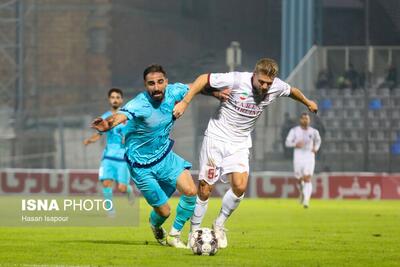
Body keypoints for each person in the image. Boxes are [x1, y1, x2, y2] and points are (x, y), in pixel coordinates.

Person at [173, 58, 318, 248]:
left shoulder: (277, 86)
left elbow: (293, 91)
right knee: (205, 187)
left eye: (269, 83)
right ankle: (195, 231)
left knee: (240, 187)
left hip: (240, 142)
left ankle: (219, 224)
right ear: (254, 75)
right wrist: (184, 102)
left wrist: (308, 102)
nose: (265, 86)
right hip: (217, 137)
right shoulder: (236, 79)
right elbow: (202, 79)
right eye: (261, 82)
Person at [91, 64, 227, 248]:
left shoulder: (173, 92)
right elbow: (120, 117)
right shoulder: (140, 104)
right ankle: (155, 224)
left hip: (165, 157)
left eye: (160, 82)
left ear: (166, 82)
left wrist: (216, 94)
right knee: (164, 211)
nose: (156, 87)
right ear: (145, 85)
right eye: (151, 83)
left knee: (191, 192)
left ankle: (174, 235)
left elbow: (196, 87)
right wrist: (107, 125)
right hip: (141, 167)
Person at [83, 88, 134, 216]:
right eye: (113, 97)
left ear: (121, 100)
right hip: (108, 156)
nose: (115, 99)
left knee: (121, 188)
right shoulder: (105, 117)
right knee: (106, 183)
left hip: (123, 157)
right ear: (109, 100)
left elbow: (133, 133)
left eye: (117, 97)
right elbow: (99, 134)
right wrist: (90, 140)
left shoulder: (126, 116)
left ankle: (128, 190)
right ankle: (110, 211)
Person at [285, 113, 321, 209]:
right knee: (299, 179)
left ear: (309, 120)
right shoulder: (294, 131)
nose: (305, 120)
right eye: (303, 119)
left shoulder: (314, 132)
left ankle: (306, 201)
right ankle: (302, 192)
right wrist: (295, 144)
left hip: (309, 156)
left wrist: (316, 148)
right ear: (300, 120)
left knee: (307, 178)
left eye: (307, 119)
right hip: (298, 156)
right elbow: (287, 142)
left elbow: (318, 141)